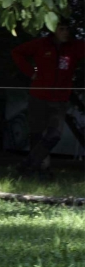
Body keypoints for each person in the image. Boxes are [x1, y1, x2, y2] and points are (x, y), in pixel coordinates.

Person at [11, 21, 85, 179]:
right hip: (38, 96)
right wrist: (31, 73)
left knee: (54, 135)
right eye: (61, 29)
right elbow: (17, 52)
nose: (65, 32)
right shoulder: (41, 44)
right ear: (54, 30)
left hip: (60, 99)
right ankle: (39, 171)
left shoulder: (75, 47)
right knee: (36, 135)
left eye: (67, 29)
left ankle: (26, 165)